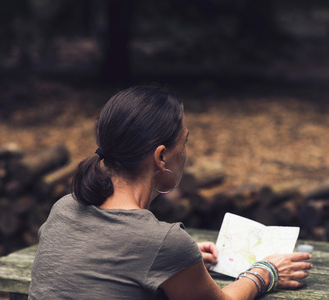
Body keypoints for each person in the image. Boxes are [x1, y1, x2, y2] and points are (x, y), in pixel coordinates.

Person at [28, 86, 312, 300]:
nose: (186, 153)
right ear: (161, 156)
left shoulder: (65, 207)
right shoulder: (162, 242)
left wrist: (179, 265)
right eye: (184, 142)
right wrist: (265, 272)